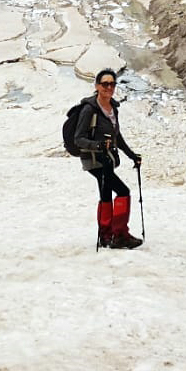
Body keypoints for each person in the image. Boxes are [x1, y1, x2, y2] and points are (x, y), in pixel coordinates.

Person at [73, 68, 143, 249]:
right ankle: (119, 235)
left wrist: (132, 156)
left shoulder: (113, 108)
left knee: (105, 194)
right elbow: (78, 138)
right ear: (97, 86)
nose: (109, 87)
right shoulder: (89, 110)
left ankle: (106, 236)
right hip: (94, 161)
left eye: (112, 84)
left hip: (107, 160)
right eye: (105, 84)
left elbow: (116, 137)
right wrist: (98, 146)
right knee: (123, 191)